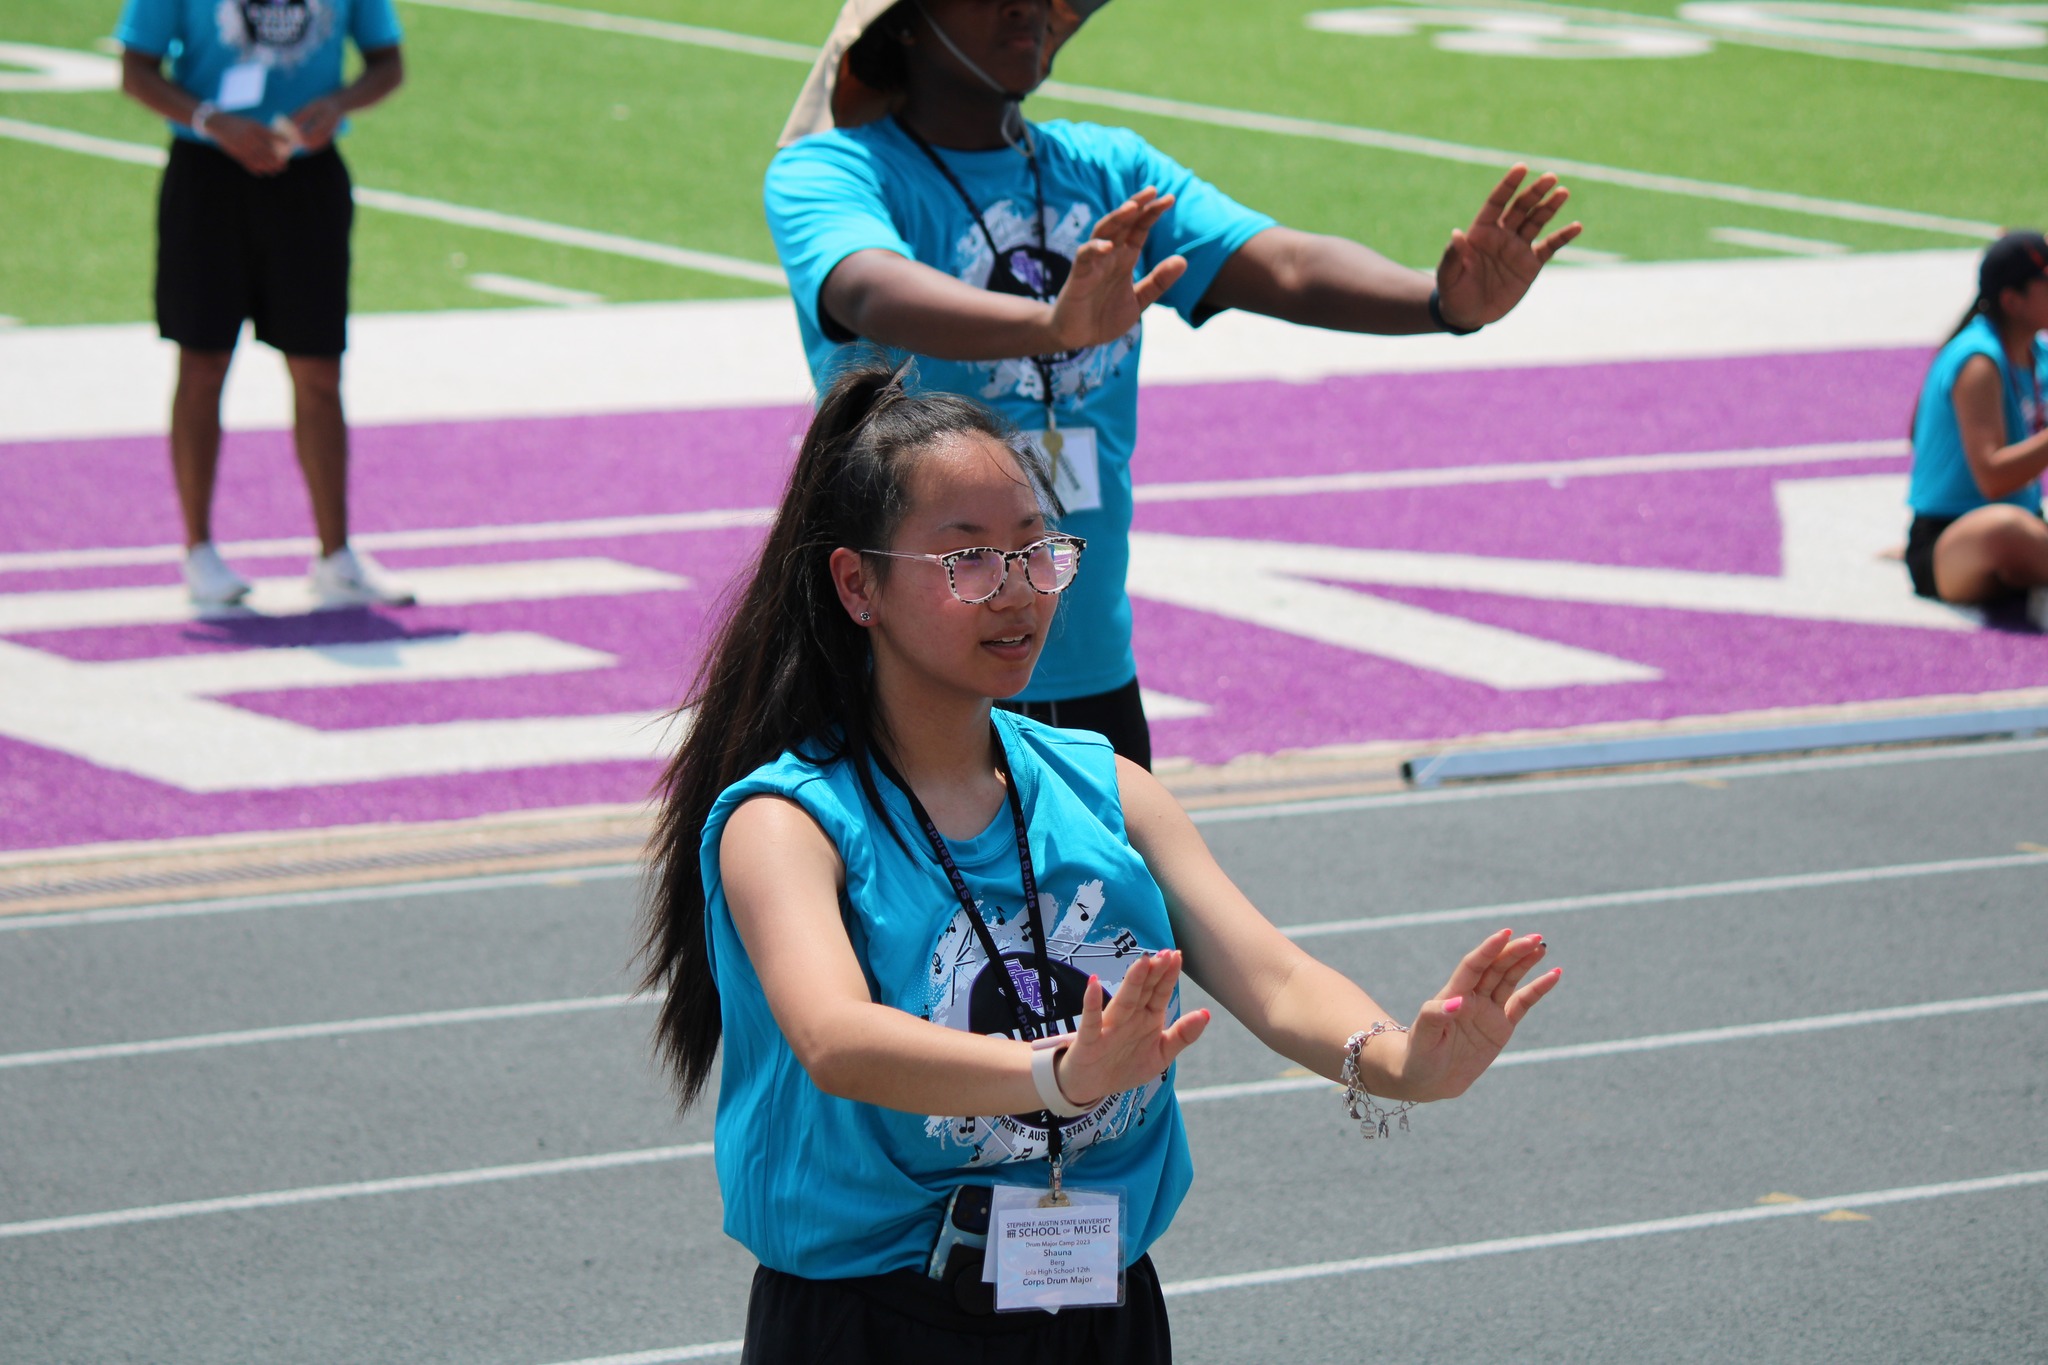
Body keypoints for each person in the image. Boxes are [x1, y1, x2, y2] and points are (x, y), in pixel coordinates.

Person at [637, 362, 1561, 1362]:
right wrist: (1062, 1074)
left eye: (1036, 550)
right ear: (859, 585)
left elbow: (1275, 976)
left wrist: (1397, 1062)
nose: (1018, 591)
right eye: (969, 560)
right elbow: (836, 1038)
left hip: (1097, 1303)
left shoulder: (1106, 788)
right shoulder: (787, 821)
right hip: (875, 1320)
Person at [764, 0, 1582, 767]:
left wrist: (1441, 304)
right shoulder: (831, 170)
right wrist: (1050, 327)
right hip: (906, 682)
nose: (1029, 7)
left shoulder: (1109, 166)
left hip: (1090, 668)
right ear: (906, 24)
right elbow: (868, 287)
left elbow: (1285, 264)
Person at [117, 0, 413, 607]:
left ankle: (336, 555)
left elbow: (387, 62)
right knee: (203, 363)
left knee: (319, 369)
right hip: (208, 176)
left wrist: (339, 104)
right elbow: (136, 70)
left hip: (308, 179)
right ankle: (198, 550)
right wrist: (211, 121)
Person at [1904, 229, 2048, 625]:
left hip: (2026, 521)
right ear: (2012, 300)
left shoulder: (2037, 354)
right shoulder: (1979, 362)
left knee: (2015, 528)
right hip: (1950, 539)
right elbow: (1993, 479)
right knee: (2005, 529)